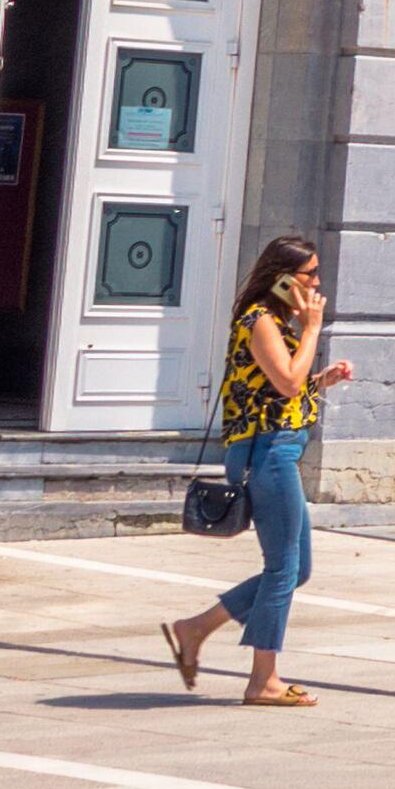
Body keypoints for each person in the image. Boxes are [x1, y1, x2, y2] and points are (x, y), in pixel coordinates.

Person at [164, 235, 354, 707]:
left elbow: (279, 384)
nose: (317, 284)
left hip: (279, 449)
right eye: (310, 275)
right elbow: (286, 384)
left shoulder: (276, 322)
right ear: (284, 279)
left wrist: (321, 379)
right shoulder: (260, 320)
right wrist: (312, 330)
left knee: (297, 568)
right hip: (267, 453)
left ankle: (196, 628)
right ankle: (263, 681)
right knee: (283, 568)